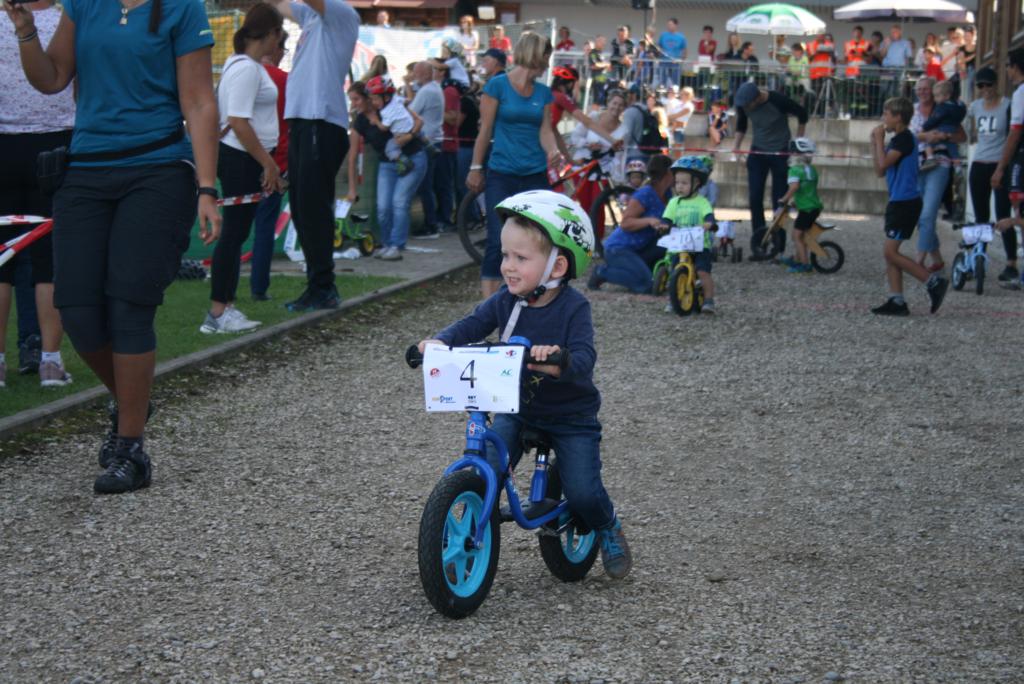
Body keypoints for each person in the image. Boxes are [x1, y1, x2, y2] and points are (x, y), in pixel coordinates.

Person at [5, 0, 221, 492]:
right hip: (85, 169)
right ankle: (132, 401)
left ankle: (130, 448)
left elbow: (198, 101)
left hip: (157, 167)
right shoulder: (84, 3)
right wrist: (25, 32)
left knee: (129, 303)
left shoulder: (182, 7)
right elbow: (51, 78)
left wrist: (207, 188)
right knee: (77, 309)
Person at [417, 189, 633, 580]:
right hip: (518, 409)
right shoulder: (506, 301)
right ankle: (465, 534)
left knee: (583, 492)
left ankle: (607, 524)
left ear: (557, 265)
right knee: (486, 469)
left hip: (570, 416)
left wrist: (559, 360)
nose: (508, 267)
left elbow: (584, 358)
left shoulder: (574, 307)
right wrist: (440, 342)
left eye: (520, 258)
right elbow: (473, 324)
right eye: (505, 256)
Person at [0, 0, 72, 389]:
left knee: (2, 261)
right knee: (49, 261)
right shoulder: (68, 20)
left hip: (6, 142)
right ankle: (50, 361)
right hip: (57, 144)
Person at [202, 3, 285, 335]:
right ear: (271, 33)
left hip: (243, 155)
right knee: (234, 234)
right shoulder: (247, 69)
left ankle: (225, 307)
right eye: (279, 36)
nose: (279, 43)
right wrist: (267, 162)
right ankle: (218, 310)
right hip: (241, 157)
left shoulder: (244, 65)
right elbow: (238, 121)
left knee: (236, 234)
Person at [273, 0, 358, 312]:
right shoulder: (310, 18)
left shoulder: (341, 13)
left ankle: (324, 287)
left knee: (313, 209)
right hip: (303, 122)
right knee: (301, 209)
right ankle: (316, 286)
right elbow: (277, 4)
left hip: (319, 122)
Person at [467, 31, 562, 299]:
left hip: (534, 174)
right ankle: (489, 305)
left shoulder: (543, 93)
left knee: (537, 238)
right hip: (502, 173)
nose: (547, 62)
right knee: (498, 239)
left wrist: (553, 150)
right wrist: (475, 167)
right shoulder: (497, 86)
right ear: (535, 54)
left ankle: (527, 295)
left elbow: (545, 130)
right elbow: (485, 130)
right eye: (546, 56)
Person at [870, 97, 949, 316]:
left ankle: (933, 281)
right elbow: (880, 171)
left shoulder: (904, 139)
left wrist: (879, 140)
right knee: (891, 253)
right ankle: (897, 300)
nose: (884, 118)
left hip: (905, 203)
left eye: (887, 114)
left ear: (898, 117)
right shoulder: (898, 140)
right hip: (898, 201)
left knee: (890, 252)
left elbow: (883, 164)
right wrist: (874, 143)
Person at [732, 82, 808, 256]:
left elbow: (802, 114)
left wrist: (798, 142)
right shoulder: (743, 105)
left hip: (780, 152)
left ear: (757, 98)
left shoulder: (778, 100)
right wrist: (736, 146)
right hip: (757, 152)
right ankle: (760, 242)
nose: (745, 108)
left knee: (779, 200)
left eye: (748, 105)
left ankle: (778, 245)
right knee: (755, 197)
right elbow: (742, 124)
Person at [355, 78, 427, 260]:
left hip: (412, 157)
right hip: (387, 163)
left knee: (399, 202)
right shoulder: (361, 120)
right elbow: (353, 149)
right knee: (383, 207)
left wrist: (410, 135)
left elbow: (419, 121)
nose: (354, 104)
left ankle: (396, 245)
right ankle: (386, 244)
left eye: (357, 99)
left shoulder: (392, 107)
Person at [588, 154, 673, 294]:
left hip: (641, 247)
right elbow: (626, 223)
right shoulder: (645, 193)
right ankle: (602, 272)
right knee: (646, 285)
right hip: (619, 248)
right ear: (667, 173)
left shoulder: (668, 194)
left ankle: (636, 273)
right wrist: (649, 221)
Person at [248, 29, 289, 303]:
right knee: (264, 227)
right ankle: (259, 287)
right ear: (277, 48)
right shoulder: (285, 80)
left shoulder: (242, 74)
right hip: (276, 161)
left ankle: (224, 291)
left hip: (243, 158)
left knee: (234, 228)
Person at [910, 76, 964, 271]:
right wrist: (924, 136)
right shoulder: (912, 110)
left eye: (926, 88)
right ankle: (938, 259)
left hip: (939, 163)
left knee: (927, 215)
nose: (922, 92)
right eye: (919, 88)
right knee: (919, 215)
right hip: (916, 164)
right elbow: (905, 136)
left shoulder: (944, 109)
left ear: (934, 91)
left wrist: (945, 135)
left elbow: (962, 136)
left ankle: (918, 261)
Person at [966, 67, 1016, 281]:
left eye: (988, 84)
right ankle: (976, 259)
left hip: (1000, 164)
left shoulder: (1008, 105)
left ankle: (1011, 263)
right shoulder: (975, 106)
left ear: (996, 84)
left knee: (1003, 215)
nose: (985, 88)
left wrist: (1002, 168)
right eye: (981, 85)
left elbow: (1014, 135)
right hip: (979, 163)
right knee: (980, 217)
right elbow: (964, 127)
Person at [662, 156, 717, 313]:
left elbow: (709, 216)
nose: (679, 186)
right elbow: (667, 218)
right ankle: (673, 299)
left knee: (702, 271)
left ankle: (709, 300)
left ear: (696, 183)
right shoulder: (674, 202)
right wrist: (664, 224)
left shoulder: (702, 202)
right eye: (677, 182)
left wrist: (709, 223)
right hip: (680, 243)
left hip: (700, 244)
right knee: (674, 270)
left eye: (684, 183)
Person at [992, 48, 1024, 289]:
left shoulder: (1021, 92)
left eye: (1007, 66)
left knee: (1019, 209)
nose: (1007, 71)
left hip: (1021, 159)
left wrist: (1001, 167)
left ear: (1015, 67)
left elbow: (1015, 133)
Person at [407, 63, 444, 238]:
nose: (414, 76)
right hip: (436, 140)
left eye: (416, 73)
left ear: (425, 74)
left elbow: (411, 113)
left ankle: (431, 224)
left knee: (424, 185)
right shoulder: (435, 88)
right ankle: (433, 222)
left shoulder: (426, 91)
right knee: (430, 185)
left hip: (427, 142)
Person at [776, 137, 822, 274]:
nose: (790, 154)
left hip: (806, 210)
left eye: (792, 152)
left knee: (796, 236)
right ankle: (798, 259)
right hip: (814, 207)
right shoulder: (812, 170)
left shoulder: (795, 170)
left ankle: (805, 265)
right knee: (802, 236)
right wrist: (796, 202)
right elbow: (808, 189)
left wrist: (784, 199)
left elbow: (795, 186)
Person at [920, 79, 966, 170]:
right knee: (953, 148)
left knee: (929, 142)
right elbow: (962, 114)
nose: (935, 99)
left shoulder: (942, 107)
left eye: (937, 96)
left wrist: (924, 127)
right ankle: (958, 167)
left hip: (942, 129)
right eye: (934, 96)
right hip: (953, 129)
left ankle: (930, 158)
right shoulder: (959, 106)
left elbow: (934, 119)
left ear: (947, 96)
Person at [656, 17, 686, 89]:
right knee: (662, 82)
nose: (669, 26)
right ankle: (662, 93)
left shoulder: (681, 37)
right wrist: (658, 55)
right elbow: (658, 47)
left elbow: (684, 50)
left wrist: (681, 60)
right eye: (668, 25)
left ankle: (675, 93)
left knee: (675, 83)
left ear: (676, 25)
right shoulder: (663, 35)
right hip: (663, 62)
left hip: (675, 63)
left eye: (670, 24)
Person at [665, 85, 694, 154]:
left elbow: (676, 115)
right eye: (682, 93)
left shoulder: (689, 106)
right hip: (671, 127)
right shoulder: (679, 103)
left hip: (679, 130)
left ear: (689, 95)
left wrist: (667, 117)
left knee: (677, 152)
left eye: (686, 94)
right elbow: (671, 114)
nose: (683, 95)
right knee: (666, 150)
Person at [586, 35, 610, 106]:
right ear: (597, 42)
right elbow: (595, 65)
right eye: (601, 41)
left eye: (604, 42)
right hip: (597, 79)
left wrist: (607, 66)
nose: (603, 44)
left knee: (602, 100)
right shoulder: (593, 53)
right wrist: (606, 64)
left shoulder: (601, 53)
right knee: (597, 101)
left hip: (603, 79)